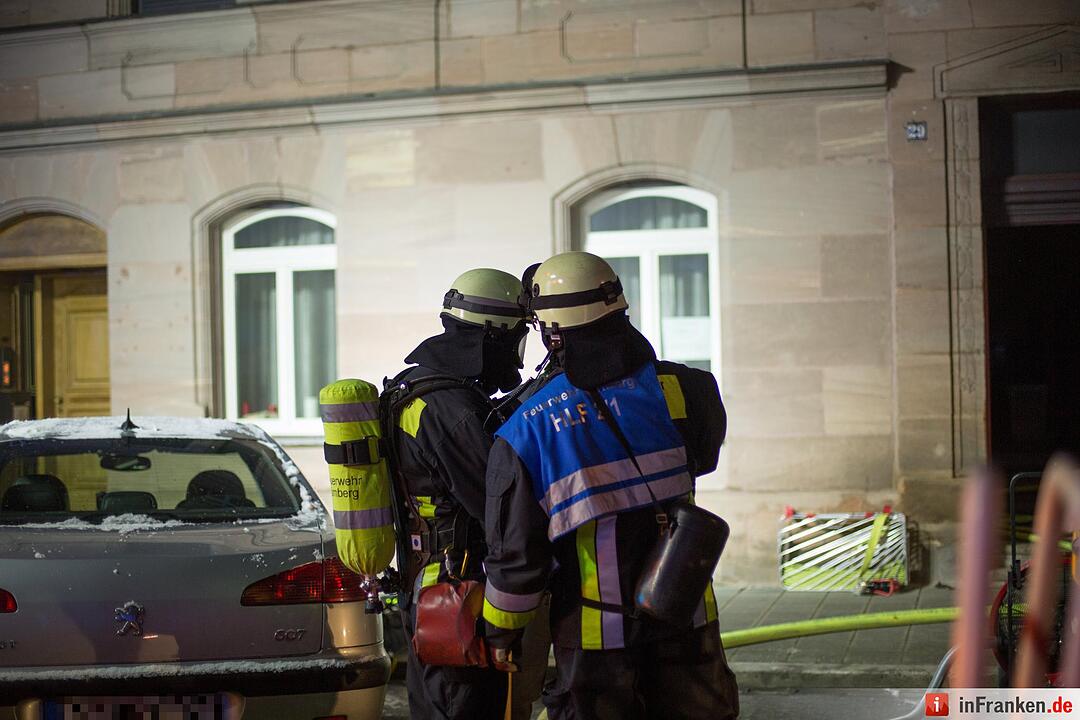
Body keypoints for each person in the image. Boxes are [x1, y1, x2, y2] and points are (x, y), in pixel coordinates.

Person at [481, 251, 739, 720]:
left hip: (598, 639)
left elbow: (518, 556)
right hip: (686, 614)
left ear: (552, 332)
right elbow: (702, 461)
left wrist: (501, 632)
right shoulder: (689, 389)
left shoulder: (528, 429)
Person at [386, 268, 529, 720]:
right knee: (461, 707)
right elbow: (497, 507)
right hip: (454, 590)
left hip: (426, 584)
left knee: (434, 706)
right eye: (515, 340)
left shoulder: (415, 386)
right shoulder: (454, 410)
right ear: (492, 337)